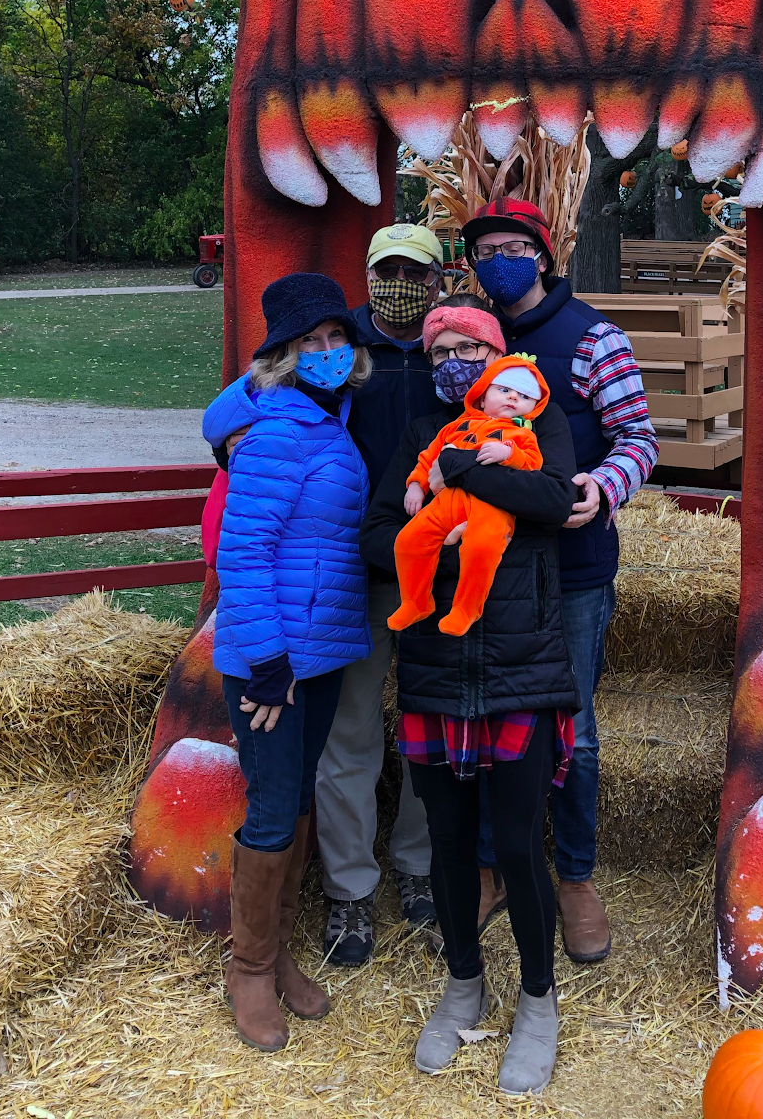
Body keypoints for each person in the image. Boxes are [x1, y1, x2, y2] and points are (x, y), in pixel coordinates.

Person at [204, 223, 446, 969]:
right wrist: (225, 436)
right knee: (348, 738)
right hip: (355, 580)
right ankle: (347, 888)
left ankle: (418, 869)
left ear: (440, 280)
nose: (400, 282)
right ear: (370, 277)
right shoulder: (331, 366)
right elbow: (233, 408)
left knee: (430, 732)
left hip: (436, 577)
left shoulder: (453, 345)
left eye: (415, 271)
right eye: (387, 270)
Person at [361, 293, 580, 1096]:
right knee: (448, 842)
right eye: (439, 349)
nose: (454, 361)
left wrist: (466, 478)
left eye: (468, 348)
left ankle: (537, 997)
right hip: (435, 662)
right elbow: (377, 534)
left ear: (498, 359)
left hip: (522, 661)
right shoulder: (425, 436)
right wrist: (432, 530)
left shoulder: (534, 423)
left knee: (519, 844)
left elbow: (556, 501)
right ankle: (462, 981)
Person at [461, 197, 659, 965]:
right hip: (484, 566)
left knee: (571, 727)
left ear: (542, 257)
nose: (495, 263)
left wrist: (602, 487)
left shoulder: (593, 339)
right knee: (482, 716)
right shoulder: (472, 342)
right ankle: (489, 865)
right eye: (482, 252)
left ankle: (574, 876)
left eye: (510, 248)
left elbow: (637, 435)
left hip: (570, 567)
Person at [205, 272, 372, 1052]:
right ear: (283, 354)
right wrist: (269, 662)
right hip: (276, 660)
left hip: (323, 649)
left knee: (298, 797)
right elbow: (244, 552)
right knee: (273, 807)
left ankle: (279, 954)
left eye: (339, 339)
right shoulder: (276, 428)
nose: (331, 352)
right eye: (313, 343)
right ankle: (248, 967)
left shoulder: (323, 419)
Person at [390, 354, 549, 636]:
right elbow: (429, 458)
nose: (513, 398)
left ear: (532, 408)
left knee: (482, 548)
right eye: (504, 390)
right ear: (482, 396)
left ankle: (466, 609)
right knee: (408, 541)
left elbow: (533, 463)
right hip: (447, 501)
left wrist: (509, 453)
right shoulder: (455, 427)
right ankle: (415, 601)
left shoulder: (521, 434)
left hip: (492, 507)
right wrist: (416, 484)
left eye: (524, 396)